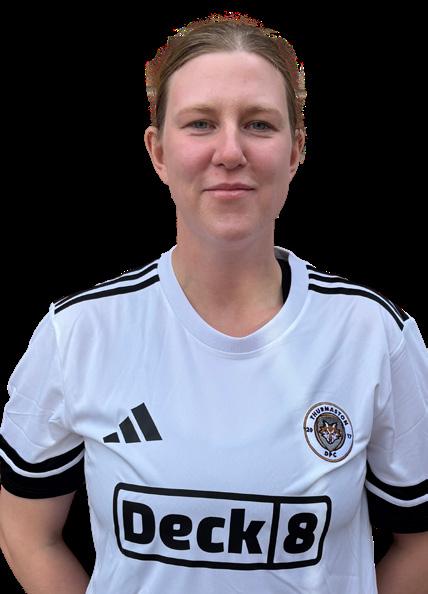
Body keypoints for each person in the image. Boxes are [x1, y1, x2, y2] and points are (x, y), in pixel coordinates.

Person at [0, 10, 427, 594]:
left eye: (258, 124)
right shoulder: (78, 334)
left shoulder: (373, 335)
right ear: (158, 151)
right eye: (200, 123)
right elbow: (26, 532)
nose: (230, 151)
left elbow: (420, 541)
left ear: (297, 150)